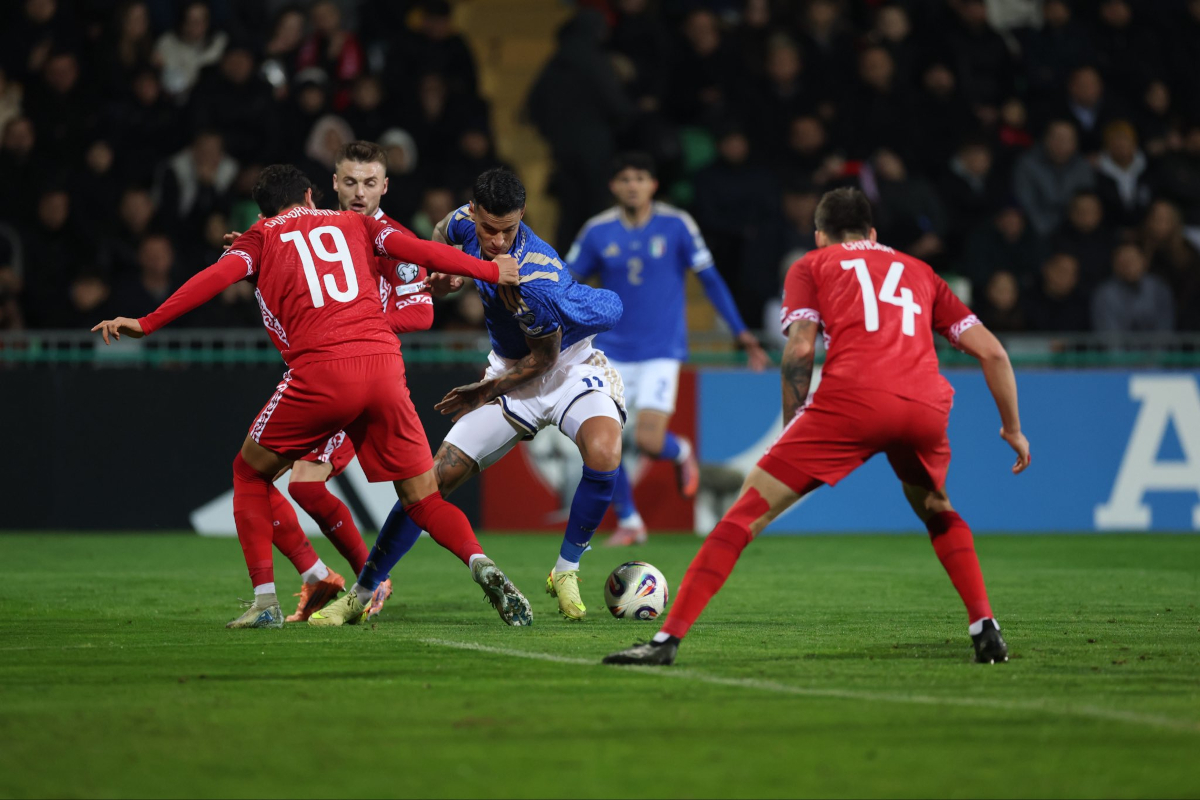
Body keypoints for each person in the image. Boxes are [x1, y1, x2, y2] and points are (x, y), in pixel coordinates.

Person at [604, 187, 1031, 667]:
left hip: (853, 401)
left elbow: (802, 349)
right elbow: (993, 351)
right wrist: (1012, 428)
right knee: (935, 507)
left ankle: (665, 643)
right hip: (924, 406)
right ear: (873, 233)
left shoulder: (813, 264)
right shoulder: (921, 271)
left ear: (819, 234)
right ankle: (985, 628)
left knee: (744, 514)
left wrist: (793, 426)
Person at [92, 164, 531, 629]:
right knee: (422, 500)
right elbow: (420, 250)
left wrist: (148, 321)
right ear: (309, 194)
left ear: (262, 210)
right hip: (384, 367)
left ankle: (266, 602)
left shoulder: (259, 239)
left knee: (250, 473)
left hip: (322, 372)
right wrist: (489, 269)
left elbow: (213, 279)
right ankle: (480, 563)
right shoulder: (355, 223)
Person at [314, 168, 626, 625]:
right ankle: (361, 594)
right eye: (488, 229)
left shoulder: (534, 280)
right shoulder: (463, 221)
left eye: (509, 230)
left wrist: (486, 390)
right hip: (508, 367)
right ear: (475, 211)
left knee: (604, 452)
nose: (498, 242)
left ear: (523, 217)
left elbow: (543, 360)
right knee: (427, 484)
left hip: (565, 366)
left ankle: (566, 570)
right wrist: (444, 267)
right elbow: (443, 232)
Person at [249, 141, 444, 623]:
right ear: (332, 184)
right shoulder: (315, 228)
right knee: (293, 486)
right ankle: (334, 577)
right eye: (351, 182)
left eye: (370, 183)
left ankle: (361, 579)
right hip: (323, 369)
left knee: (282, 481)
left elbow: (421, 313)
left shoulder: (391, 237)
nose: (360, 193)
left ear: (385, 186)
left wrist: (361, 326)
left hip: (361, 370)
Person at [567, 152, 768, 546]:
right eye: (624, 178)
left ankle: (679, 452)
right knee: (603, 441)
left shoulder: (677, 225)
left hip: (661, 351)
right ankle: (629, 521)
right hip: (610, 352)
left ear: (653, 185)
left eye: (640, 177)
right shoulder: (597, 231)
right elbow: (565, 281)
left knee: (648, 442)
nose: (632, 185)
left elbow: (710, 280)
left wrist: (741, 332)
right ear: (613, 186)